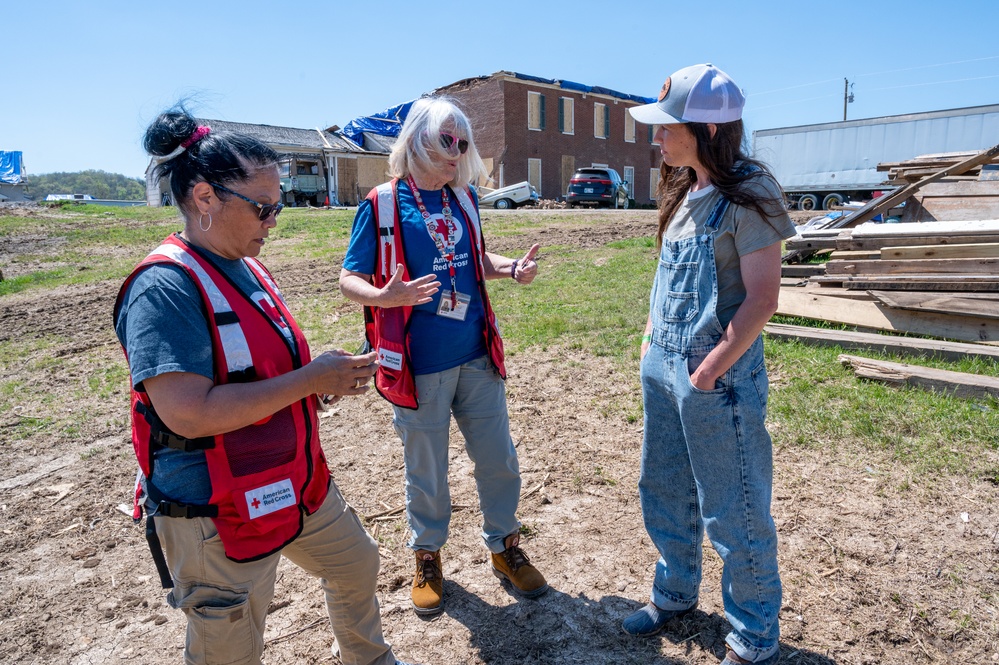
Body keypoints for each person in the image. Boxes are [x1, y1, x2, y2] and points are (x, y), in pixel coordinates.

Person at [114, 106, 417, 665]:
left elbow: (259, 372)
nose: (275, 219)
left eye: (277, 205)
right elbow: (188, 414)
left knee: (355, 563)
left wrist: (315, 385)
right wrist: (306, 380)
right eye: (264, 207)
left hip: (291, 481)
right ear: (204, 198)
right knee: (228, 646)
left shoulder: (247, 266)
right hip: (215, 510)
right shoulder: (163, 289)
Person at [339, 96, 547, 616]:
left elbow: (476, 259)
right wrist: (385, 298)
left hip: (476, 354)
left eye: (463, 142)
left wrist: (511, 268)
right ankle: (427, 554)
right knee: (426, 471)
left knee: (498, 460)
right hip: (418, 365)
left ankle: (505, 547)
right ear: (417, 141)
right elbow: (349, 278)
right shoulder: (382, 204)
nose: (457, 151)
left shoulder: (465, 199)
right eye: (447, 141)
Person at [621, 64, 796, 665]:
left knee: (735, 507)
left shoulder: (751, 193)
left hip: (715, 381)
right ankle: (673, 594)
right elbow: (665, 276)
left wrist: (711, 369)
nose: (657, 138)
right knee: (664, 487)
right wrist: (651, 339)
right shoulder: (684, 187)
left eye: (668, 127)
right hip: (664, 370)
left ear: (708, 129)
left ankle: (752, 637)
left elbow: (763, 297)